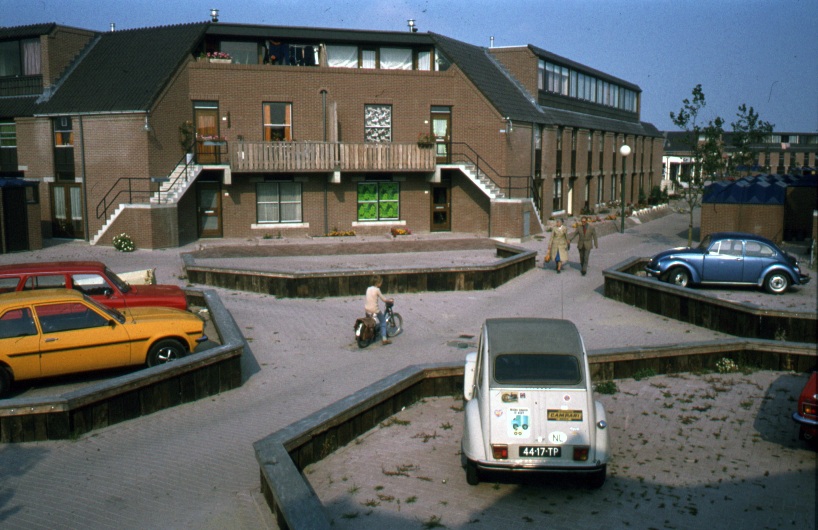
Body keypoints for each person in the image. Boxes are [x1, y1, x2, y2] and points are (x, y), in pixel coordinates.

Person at [365, 275, 393, 345]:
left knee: (370, 321)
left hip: (367, 309)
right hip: (374, 310)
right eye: (381, 282)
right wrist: (389, 300)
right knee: (383, 322)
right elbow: (384, 299)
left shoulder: (368, 288)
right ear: (378, 283)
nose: (381, 284)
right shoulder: (377, 290)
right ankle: (384, 339)